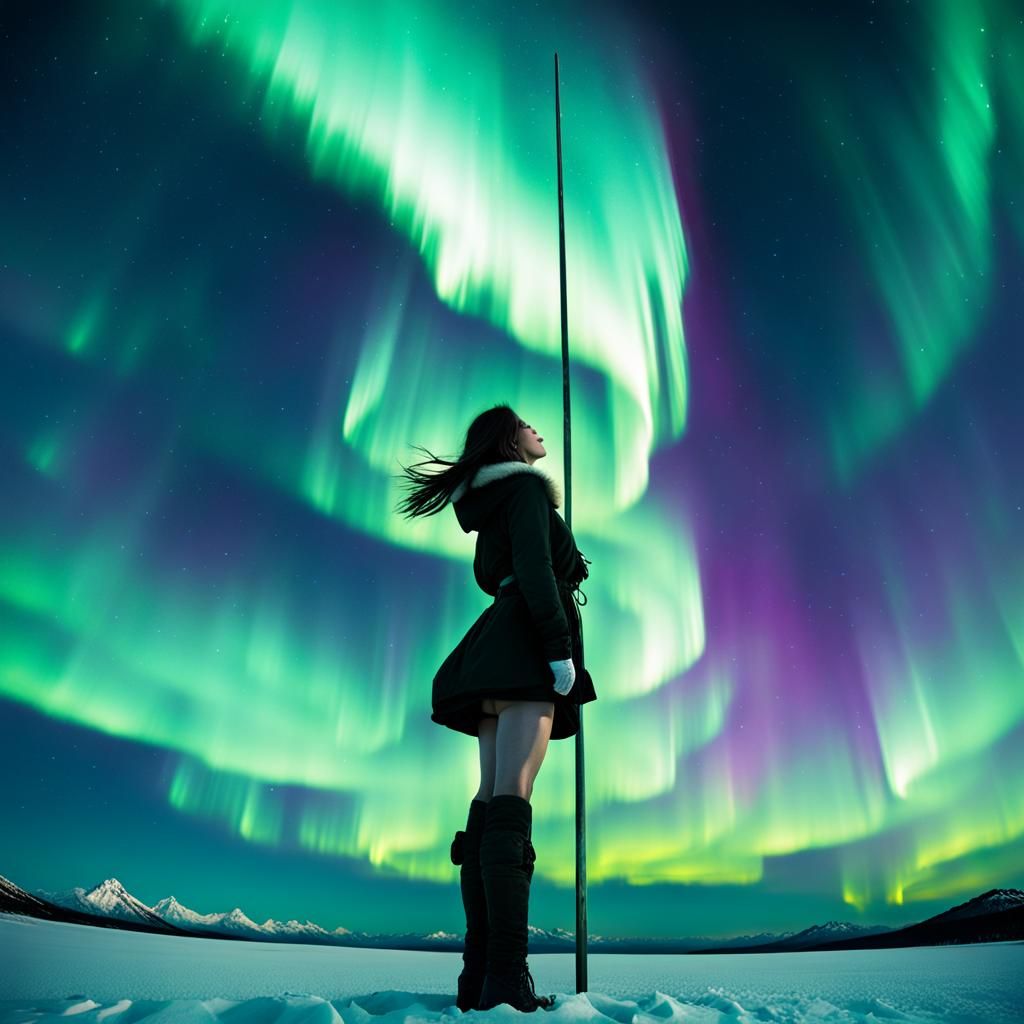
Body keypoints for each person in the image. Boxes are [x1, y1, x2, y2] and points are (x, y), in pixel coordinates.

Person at [395, 402, 595, 1013]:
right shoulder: (527, 491)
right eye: (526, 425)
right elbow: (535, 568)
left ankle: (478, 975)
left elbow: (498, 575)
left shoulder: (489, 507)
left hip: (493, 650)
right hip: (526, 649)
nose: (538, 430)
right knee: (513, 799)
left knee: (490, 799)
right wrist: (558, 649)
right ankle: (506, 977)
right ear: (510, 441)